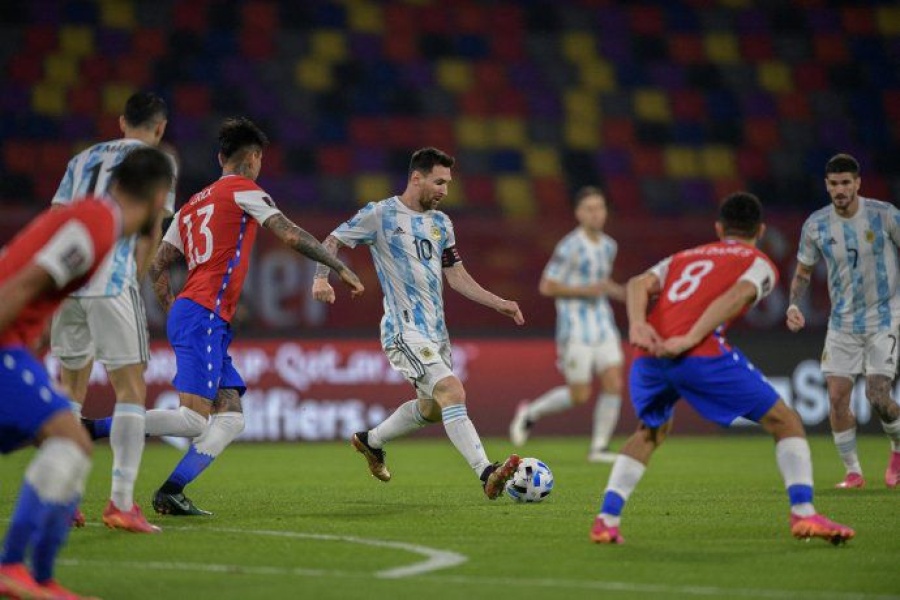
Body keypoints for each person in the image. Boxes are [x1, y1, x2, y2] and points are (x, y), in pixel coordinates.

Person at [110, 117, 363, 517]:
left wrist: (176, 311)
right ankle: (90, 428)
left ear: (220, 158)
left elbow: (158, 267)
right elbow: (292, 234)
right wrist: (339, 266)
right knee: (193, 422)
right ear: (255, 159)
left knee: (230, 418)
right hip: (203, 315)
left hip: (195, 314)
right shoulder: (246, 191)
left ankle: (171, 491)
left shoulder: (192, 204)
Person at [590, 192, 854, 545]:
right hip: (696, 353)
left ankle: (606, 521)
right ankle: (805, 515)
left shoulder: (684, 256)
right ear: (759, 230)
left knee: (651, 431)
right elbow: (733, 297)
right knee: (785, 420)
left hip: (648, 354)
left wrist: (637, 324)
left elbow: (638, 283)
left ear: (718, 228)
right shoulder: (758, 262)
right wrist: (691, 337)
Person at [0, 148, 173, 599]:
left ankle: (34, 577)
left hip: (14, 344)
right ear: (159, 199)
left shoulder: (92, 215)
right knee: (70, 441)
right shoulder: (97, 227)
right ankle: (19, 571)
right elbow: (22, 285)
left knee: (65, 439)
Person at [312, 147, 525, 499]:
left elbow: (457, 277)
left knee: (431, 409)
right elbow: (332, 240)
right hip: (403, 328)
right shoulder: (380, 214)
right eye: (439, 182)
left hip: (436, 333)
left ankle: (370, 441)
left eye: (448, 184)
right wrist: (322, 277)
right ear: (416, 178)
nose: (444, 190)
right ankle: (486, 472)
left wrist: (498, 302)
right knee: (452, 391)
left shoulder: (442, 224)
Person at [50, 91, 175, 532]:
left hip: (67, 280)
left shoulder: (82, 160)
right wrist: (134, 280)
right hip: (112, 280)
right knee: (130, 389)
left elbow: (58, 220)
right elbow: (151, 229)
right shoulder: (157, 163)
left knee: (70, 390)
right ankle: (120, 502)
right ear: (159, 128)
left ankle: (63, 501)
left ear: (122, 121)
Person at [786, 153, 900, 489]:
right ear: (827, 185)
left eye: (846, 183)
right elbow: (803, 272)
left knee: (878, 396)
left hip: (885, 317)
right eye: (834, 184)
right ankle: (853, 472)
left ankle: (896, 451)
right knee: (836, 397)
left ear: (858, 183)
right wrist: (793, 304)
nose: (840, 189)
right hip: (842, 324)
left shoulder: (885, 215)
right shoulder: (816, 225)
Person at [509, 186, 625, 462]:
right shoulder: (569, 246)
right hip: (575, 328)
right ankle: (530, 413)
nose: (596, 214)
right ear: (579, 213)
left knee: (614, 382)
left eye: (600, 208)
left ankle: (598, 448)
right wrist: (586, 291)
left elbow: (601, 282)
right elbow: (547, 286)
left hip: (603, 324)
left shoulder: (610, 246)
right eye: (590, 209)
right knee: (579, 395)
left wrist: (622, 293)